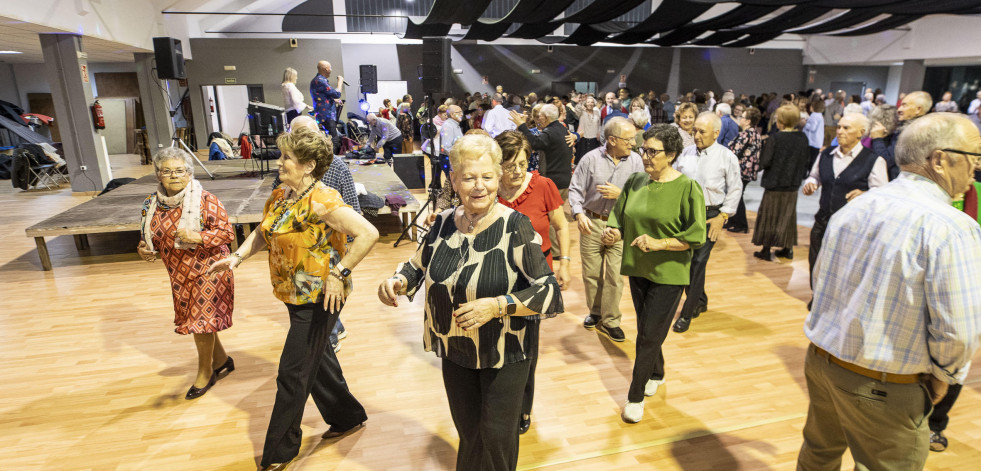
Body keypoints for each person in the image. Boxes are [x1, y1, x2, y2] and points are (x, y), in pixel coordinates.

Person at [797, 112, 981, 470]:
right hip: (885, 383)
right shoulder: (953, 228)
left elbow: (821, 284)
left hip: (823, 361)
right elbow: (959, 329)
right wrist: (945, 377)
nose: (974, 168)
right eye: (974, 156)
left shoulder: (856, 207)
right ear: (940, 159)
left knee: (818, 454)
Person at [377, 134, 563, 471]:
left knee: (495, 438)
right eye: (469, 177)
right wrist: (397, 281)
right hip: (456, 348)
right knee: (469, 434)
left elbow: (550, 293)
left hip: (504, 351)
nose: (479, 186)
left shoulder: (515, 226)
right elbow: (417, 265)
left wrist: (496, 306)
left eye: (487, 176)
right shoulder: (444, 222)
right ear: (454, 180)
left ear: (498, 177)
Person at [207, 127, 379, 471]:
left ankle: (279, 452)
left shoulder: (323, 199)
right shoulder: (282, 195)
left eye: (287, 157)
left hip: (321, 296)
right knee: (317, 359)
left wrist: (340, 272)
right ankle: (347, 416)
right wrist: (238, 256)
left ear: (309, 165)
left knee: (292, 372)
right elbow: (263, 230)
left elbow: (368, 233)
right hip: (293, 294)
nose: (280, 161)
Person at [605, 123, 706, 424]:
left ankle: (635, 397)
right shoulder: (636, 181)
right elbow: (620, 219)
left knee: (647, 336)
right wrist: (613, 232)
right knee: (651, 329)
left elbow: (695, 236)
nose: (645, 156)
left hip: (669, 273)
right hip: (638, 269)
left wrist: (659, 243)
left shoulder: (688, 188)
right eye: (643, 150)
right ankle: (657, 372)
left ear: (671, 154)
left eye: (652, 152)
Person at [137, 147, 235, 400]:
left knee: (199, 321)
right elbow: (149, 237)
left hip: (210, 269)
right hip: (178, 273)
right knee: (198, 321)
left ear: (190, 174)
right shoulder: (151, 204)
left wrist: (198, 236)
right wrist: (144, 249)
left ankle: (206, 372)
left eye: (180, 170)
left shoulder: (206, 200)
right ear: (158, 175)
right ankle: (222, 360)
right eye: (167, 171)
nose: (174, 175)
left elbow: (227, 234)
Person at [495, 130, 570, 435]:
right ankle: (499, 401)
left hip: (534, 279)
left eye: (522, 164)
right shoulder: (489, 188)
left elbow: (561, 225)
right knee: (497, 344)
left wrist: (565, 262)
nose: (515, 173)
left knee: (527, 348)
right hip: (497, 279)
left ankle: (523, 407)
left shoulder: (543, 186)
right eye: (508, 166)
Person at [277, 115, 361, 352]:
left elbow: (355, 216)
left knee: (316, 344)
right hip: (295, 271)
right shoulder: (287, 172)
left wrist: (345, 266)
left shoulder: (338, 169)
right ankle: (334, 330)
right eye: (297, 136)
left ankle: (331, 335)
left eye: (307, 135)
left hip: (324, 263)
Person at [569, 117, 644, 343]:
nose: (633, 142)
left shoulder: (637, 162)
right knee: (591, 274)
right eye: (628, 139)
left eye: (633, 138)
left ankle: (611, 321)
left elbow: (644, 196)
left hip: (620, 225)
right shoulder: (590, 159)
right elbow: (575, 190)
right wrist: (579, 213)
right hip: (591, 222)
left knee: (615, 276)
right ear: (612, 140)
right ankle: (596, 312)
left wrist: (620, 194)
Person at [671, 112, 742, 333]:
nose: (696, 135)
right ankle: (700, 300)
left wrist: (723, 217)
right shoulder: (686, 153)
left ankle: (686, 313)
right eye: (695, 131)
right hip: (685, 215)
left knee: (697, 263)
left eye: (702, 131)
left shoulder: (726, 157)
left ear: (716, 133)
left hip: (710, 216)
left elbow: (736, 188)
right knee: (684, 260)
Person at [929, 155, 981, 452]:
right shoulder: (929, 199)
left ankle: (936, 424)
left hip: (967, 292)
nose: (972, 172)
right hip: (928, 290)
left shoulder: (979, 196)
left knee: (957, 359)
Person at [802, 113, 889, 288]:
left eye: (846, 128)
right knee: (816, 260)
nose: (840, 131)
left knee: (842, 267)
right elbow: (814, 176)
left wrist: (865, 194)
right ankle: (816, 296)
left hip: (852, 226)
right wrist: (811, 184)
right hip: (823, 220)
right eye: (839, 127)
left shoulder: (874, 160)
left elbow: (883, 195)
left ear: (861, 133)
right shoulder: (826, 154)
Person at [752, 105, 811, 261]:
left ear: (781, 121)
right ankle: (787, 248)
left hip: (774, 183)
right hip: (792, 185)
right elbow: (805, 160)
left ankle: (766, 250)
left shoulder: (776, 138)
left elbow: (765, 161)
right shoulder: (802, 138)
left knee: (769, 216)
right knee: (787, 216)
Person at [870, 91, 932, 180]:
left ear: (918, 110)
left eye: (904, 105)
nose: (899, 110)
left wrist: (877, 139)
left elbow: (885, 162)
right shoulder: (920, 129)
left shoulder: (912, 133)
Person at [725, 107, 763, 233]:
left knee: (737, 196)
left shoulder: (746, 134)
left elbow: (734, 152)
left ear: (748, 121)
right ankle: (733, 221)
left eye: (742, 117)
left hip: (741, 170)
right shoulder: (756, 134)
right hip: (748, 171)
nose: (740, 119)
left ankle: (741, 224)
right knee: (737, 195)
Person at [310, 60, 344, 148]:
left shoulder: (316, 80)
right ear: (326, 69)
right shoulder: (320, 81)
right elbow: (337, 94)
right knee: (334, 140)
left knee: (331, 139)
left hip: (322, 114)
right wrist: (340, 82)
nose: (331, 70)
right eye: (330, 67)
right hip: (326, 115)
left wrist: (334, 100)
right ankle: (332, 161)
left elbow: (322, 96)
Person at [575, 95, 602, 163]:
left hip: (594, 139)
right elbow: (577, 108)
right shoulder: (581, 112)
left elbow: (599, 124)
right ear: (585, 104)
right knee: (582, 159)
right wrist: (582, 101)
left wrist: (599, 133)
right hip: (583, 138)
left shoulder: (597, 112)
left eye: (592, 102)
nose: (590, 104)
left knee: (593, 159)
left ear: (594, 104)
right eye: (588, 102)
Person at [802, 99, 825, 169]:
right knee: (813, 158)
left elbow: (812, 127)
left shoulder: (814, 115)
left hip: (812, 142)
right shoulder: (820, 115)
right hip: (817, 141)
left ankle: (807, 173)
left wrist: (804, 123)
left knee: (809, 159)